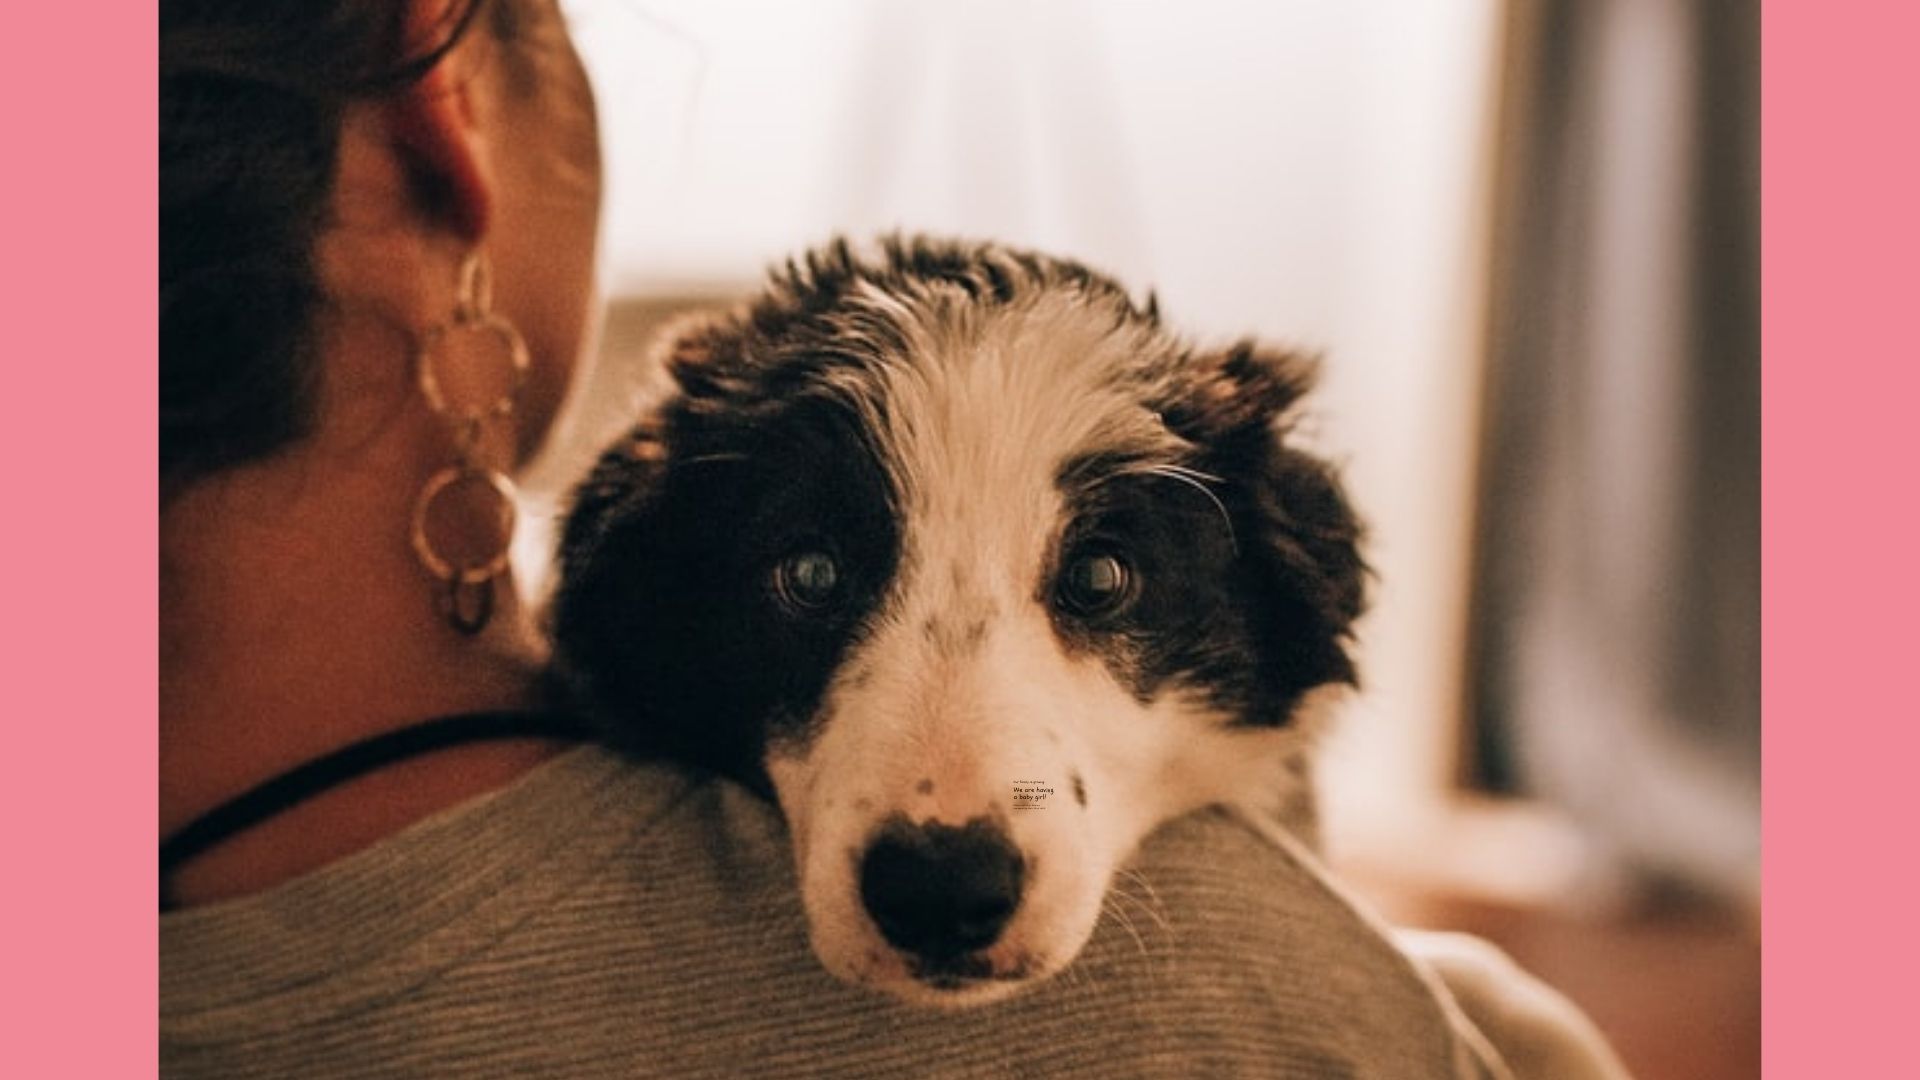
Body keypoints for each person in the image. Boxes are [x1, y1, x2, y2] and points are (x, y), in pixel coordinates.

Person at [159, 1, 1626, 1076]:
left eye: (1099, 580)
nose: (949, 786)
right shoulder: (1236, 1011)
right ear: (448, 101)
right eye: (811, 575)